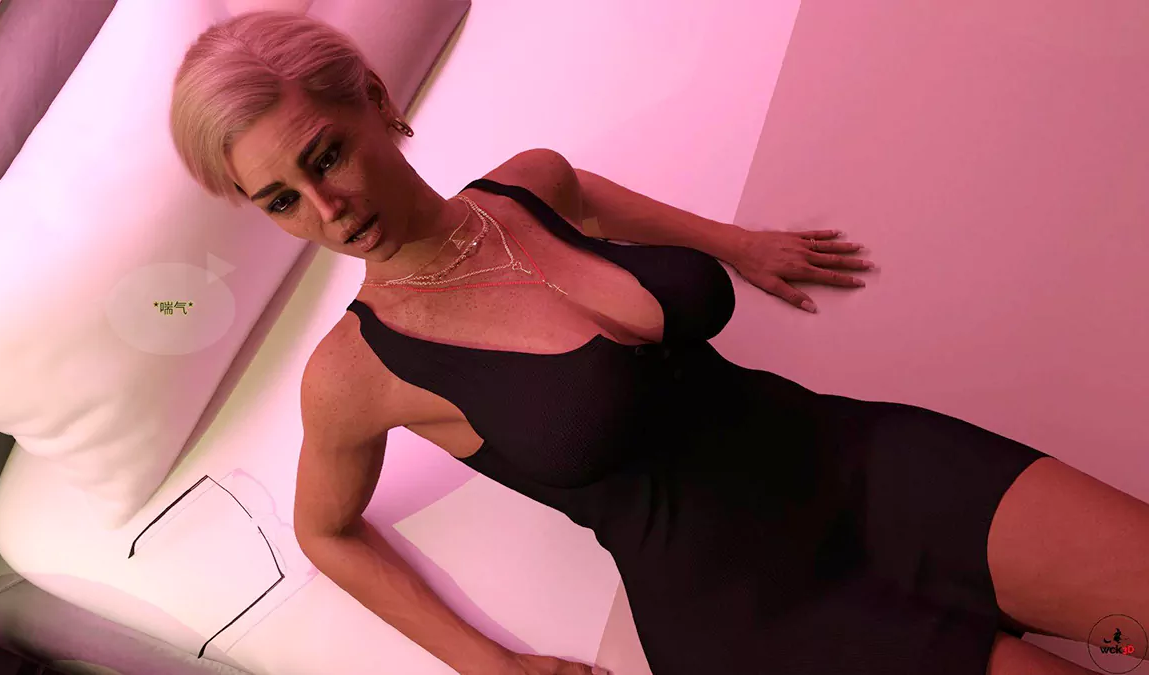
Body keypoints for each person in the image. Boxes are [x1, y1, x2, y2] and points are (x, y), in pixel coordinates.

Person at [170, 10, 1149, 675]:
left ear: (378, 105)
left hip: (858, 458)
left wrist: (737, 244)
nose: (328, 209)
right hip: (751, 611)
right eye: (281, 201)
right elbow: (324, 530)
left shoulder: (529, 184)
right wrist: (488, 665)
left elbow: (587, 192)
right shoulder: (355, 373)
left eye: (327, 155)